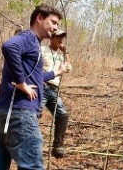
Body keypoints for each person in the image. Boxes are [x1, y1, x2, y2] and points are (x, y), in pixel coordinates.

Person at [0, 4, 66, 170]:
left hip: (2, 115)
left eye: (57, 24)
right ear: (39, 18)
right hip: (19, 116)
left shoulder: (33, 45)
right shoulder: (29, 38)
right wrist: (21, 83)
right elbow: (9, 46)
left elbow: (35, 77)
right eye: (53, 22)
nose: (55, 27)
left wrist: (55, 73)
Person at [41, 29, 72, 158]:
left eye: (62, 37)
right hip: (42, 87)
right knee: (33, 114)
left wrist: (66, 53)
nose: (61, 39)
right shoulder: (42, 50)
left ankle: (58, 146)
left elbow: (69, 68)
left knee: (63, 115)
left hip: (54, 90)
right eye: (58, 37)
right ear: (52, 38)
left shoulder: (61, 56)